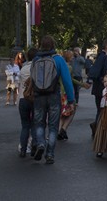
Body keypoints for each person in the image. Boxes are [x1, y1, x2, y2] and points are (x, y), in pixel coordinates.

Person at [32, 35, 76, 164]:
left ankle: (40, 143)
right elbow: (67, 81)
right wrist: (71, 100)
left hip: (39, 95)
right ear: (53, 45)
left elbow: (33, 79)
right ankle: (50, 153)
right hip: (53, 95)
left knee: (39, 123)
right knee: (53, 126)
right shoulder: (58, 60)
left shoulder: (35, 59)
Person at [58, 50, 90, 140]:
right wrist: (82, 84)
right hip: (67, 92)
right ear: (68, 57)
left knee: (63, 113)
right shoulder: (69, 67)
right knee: (72, 111)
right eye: (71, 56)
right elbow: (70, 80)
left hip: (60, 92)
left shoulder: (60, 66)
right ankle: (63, 129)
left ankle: (60, 130)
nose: (73, 58)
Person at [88, 38, 107, 134]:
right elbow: (95, 72)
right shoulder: (103, 57)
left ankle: (97, 126)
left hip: (102, 88)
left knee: (102, 110)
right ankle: (98, 128)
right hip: (101, 89)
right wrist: (104, 81)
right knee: (102, 109)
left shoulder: (106, 57)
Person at [17, 47, 37, 158]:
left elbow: (20, 85)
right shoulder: (37, 68)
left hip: (23, 99)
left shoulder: (23, 69)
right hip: (34, 99)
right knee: (34, 124)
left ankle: (23, 149)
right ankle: (33, 146)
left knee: (25, 126)